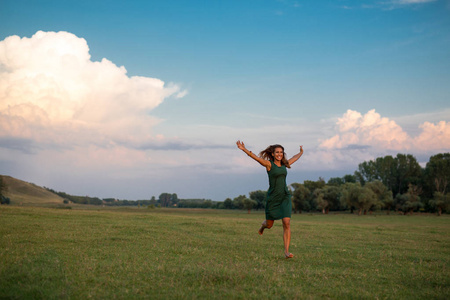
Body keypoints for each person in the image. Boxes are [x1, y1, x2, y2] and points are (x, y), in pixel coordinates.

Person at [236, 140, 303, 259]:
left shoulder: (284, 164)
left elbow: (294, 158)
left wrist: (301, 152)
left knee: (286, 223)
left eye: (281, 152)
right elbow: (256, 158)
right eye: (277, 152)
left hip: (285, 196)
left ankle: (286, 251)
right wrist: (244, 149)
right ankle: (262, 226)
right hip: (273, 198)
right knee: (269, 224)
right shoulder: (269, 164)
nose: (279, 154)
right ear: (272, 153)